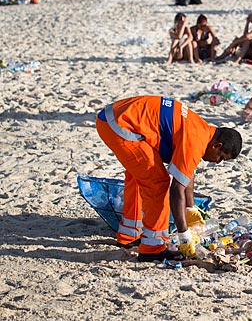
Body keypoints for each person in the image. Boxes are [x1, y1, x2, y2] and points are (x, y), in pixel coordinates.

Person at [95, 95, 242, 261]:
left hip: (114, 116)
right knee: (157, 183)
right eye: (221, 157)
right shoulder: (195, 141)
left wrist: (191, 208)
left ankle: (129, 235)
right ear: (217, 146)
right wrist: (184, 235)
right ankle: (152, 248)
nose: (217, 162)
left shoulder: (202, 130)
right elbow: (176, 190)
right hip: (120, 124)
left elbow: (187, 171)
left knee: (139, 175)